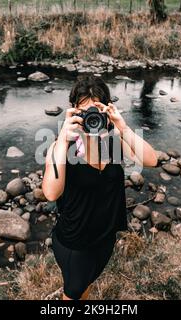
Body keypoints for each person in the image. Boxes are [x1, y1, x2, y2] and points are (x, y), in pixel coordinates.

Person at [42, 75, 158, 300]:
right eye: (85, 111)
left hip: (105, 238)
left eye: (96, 110)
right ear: (74, 111)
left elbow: (152, 160)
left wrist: (122, 126)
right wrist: (64, 140)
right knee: (73, 294)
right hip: (75, 244)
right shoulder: (59, 147)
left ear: (106, 110)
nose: (91, 117)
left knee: (85, 289)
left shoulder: (113, 141)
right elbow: (51, 192)